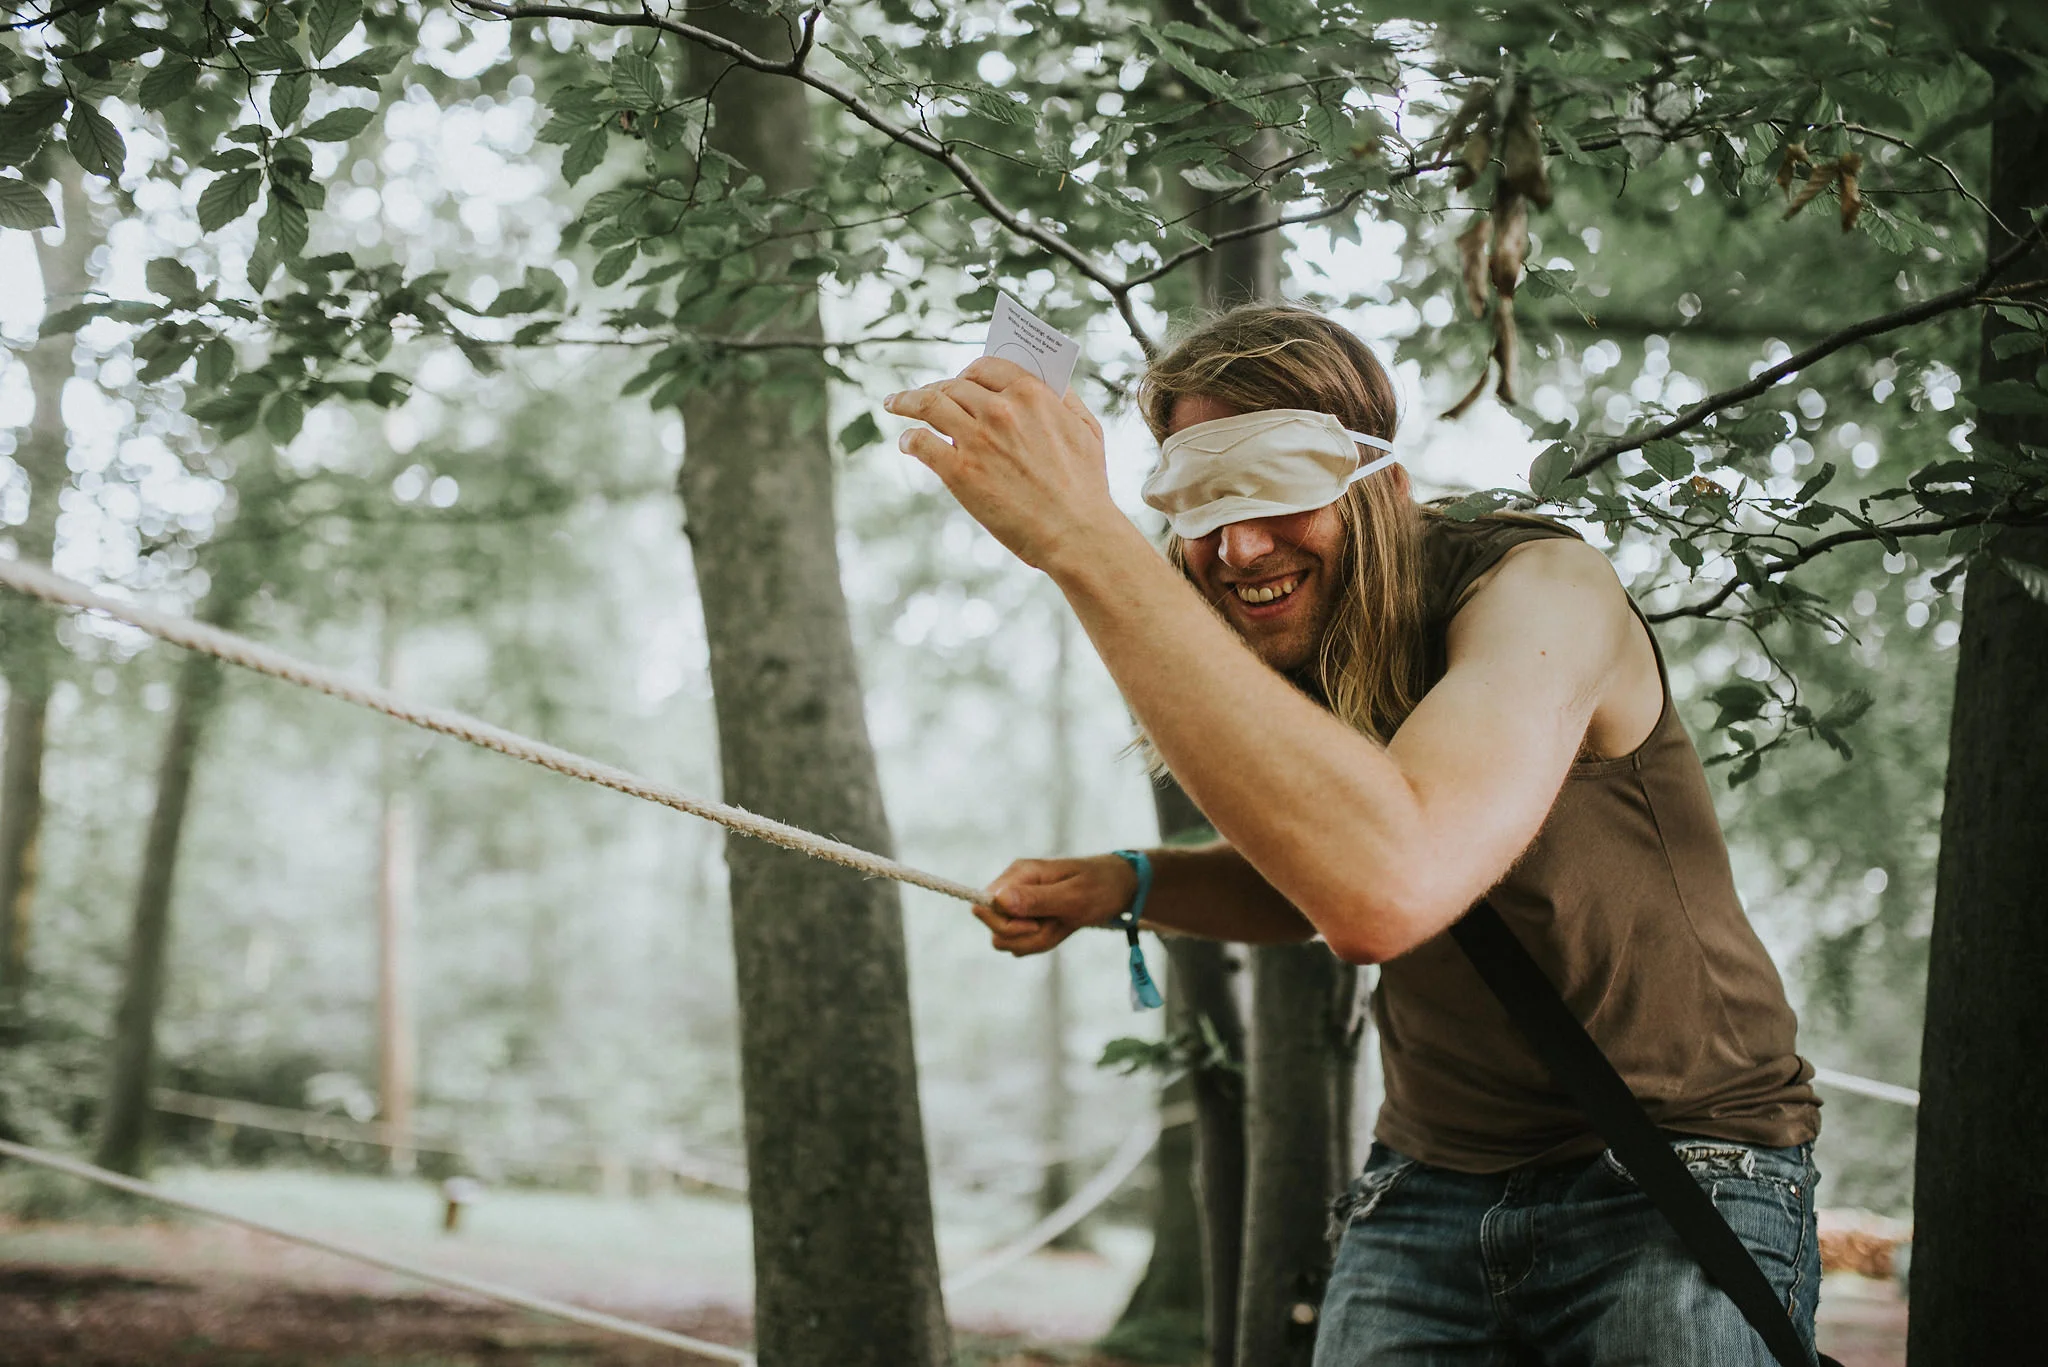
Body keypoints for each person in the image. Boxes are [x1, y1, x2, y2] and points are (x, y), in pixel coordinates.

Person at [882, 305, 1823, 1365]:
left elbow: (1388, 884)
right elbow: (1324, 876)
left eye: (1274, 487)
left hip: (1675, 1170)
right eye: (1197, 503)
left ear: (1379, 481)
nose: (1236, 546)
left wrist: (1084, 540)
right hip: (1426, 1183)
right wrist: (1128, 882)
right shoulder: (1308, 647)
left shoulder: (1540, 593)